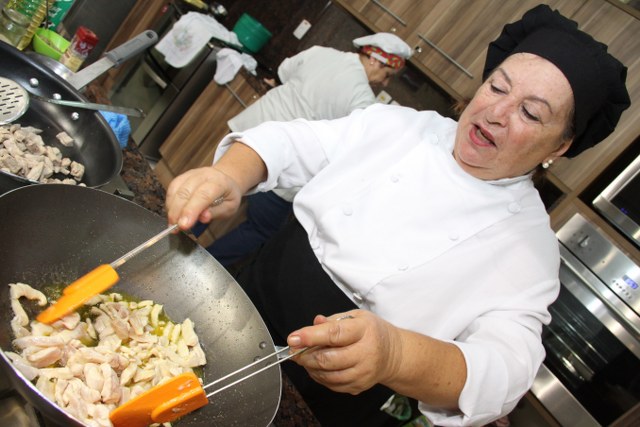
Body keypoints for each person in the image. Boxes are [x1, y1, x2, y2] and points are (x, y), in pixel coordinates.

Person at [166, 5, 630, 427]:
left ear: (560, 146)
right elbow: (295, 141)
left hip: (324, 390)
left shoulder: (530, 250)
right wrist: (229, 174)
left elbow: (506, 371)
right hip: (237, 307)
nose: (497, 112)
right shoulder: (403, 125)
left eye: (529, 112)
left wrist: (396, 356)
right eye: (497, 86)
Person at [203, 33, 412, 267]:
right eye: (387, 75)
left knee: (211, 193)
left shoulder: (320, 52)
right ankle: (202, 264)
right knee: (260, 229)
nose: (385, 83)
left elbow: (284, 72)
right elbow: (355, 149)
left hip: (249, 134)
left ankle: (175, 236)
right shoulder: (362, 100)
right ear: (374, 59)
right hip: (281, 169)